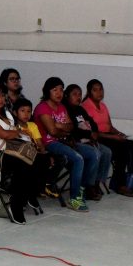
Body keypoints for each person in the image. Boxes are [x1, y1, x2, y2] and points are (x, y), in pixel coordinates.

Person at [0, 83, 49, 224]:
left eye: (2, 95)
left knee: (43, 159)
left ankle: (29, 193)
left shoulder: (7, 113)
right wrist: (18, 132)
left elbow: (13, 134)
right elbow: (5, 134)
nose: (0, 99)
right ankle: (16, 205)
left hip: (12, 150)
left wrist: (17, 132)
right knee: (23, 164)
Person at [33, 77, 102, 212]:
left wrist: (58, 125)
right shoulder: (42, 108)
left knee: (94, 154)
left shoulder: (62, 107)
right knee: (78, 158)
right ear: (47, 92)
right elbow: (52, 132)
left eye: (61, 90)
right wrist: (60, 129)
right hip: (48, 143)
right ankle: (74, 198)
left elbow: (71, 127)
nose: (59, 93)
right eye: (55, 90)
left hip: (64, 141)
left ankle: (82, 188)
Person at [83, 79, 133, 196]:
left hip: (109, 135)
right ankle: (118, 184)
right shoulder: (86, 107)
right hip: (98, 138)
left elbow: (109, 126)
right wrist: (115, 138)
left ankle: (129, 181)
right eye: (95, 90)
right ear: (89, 92)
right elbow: (92, 132)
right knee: (122, 151)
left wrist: (119, 134)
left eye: (101, 89)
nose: (99, 92)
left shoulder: (103, 106)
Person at [62, 84, 114, 200]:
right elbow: (73, 130)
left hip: (88, 140)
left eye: (80, 94)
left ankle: (96, 183)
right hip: (76, 142)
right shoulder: (65, 110)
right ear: (66, 96)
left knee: (107, 152)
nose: (78, 97)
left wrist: (94, 132)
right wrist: (88, 134)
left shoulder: (80, 109)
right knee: (95, 153)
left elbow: (91, 122)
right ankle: (87, 186)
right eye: (74, 94)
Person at [14, 97, 64, 199]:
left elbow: (40, 143)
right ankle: (36, 188)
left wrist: (45, 153)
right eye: (22, 111)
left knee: (60, 158)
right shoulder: (13, 127)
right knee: (39, 162)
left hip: (36, 151)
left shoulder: (32, 125)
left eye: (29, 111)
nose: (26, 114)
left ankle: (47, 184)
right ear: (15, 113)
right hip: (23, 154)